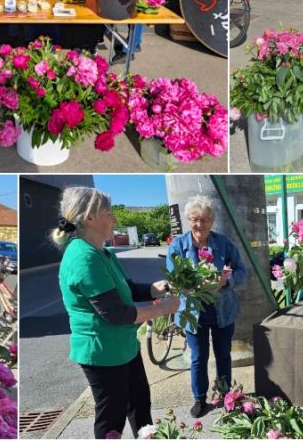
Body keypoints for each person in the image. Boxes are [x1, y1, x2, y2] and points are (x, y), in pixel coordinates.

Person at [56, 187, 179, 439]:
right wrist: (162, 309)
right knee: (111, 419)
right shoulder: (83, 258)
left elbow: (130, 290)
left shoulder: (104, 252)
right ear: (89, 218)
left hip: (124, 348)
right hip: (102, 353)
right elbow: (116, 313)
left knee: (140, 406)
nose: (115, 218)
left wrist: (161, 288)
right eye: (109, 213)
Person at [165, 196, 248, 419]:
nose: (199, 225)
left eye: (204, 219)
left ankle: (225, 395)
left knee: (223, 355)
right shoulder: (178, 245)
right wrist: (192, 283)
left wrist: (225, 281)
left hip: (222, 311)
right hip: (193, 313)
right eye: (194, 219)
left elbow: (242, 272)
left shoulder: (224, 244)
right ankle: (199, 399)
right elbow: (174, 279)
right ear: (187, 220)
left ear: (211, 221)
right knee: (198, 357)